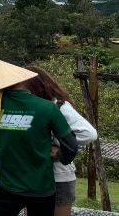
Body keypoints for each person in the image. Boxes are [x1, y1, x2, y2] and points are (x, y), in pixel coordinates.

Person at [0, 59, 79, 216]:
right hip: (42, 188)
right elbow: (72, 146)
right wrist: (59, 156)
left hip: (7, 186)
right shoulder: (48, 108)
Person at [25, 66, 97, 216]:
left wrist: (58, 146)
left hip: (58, 177)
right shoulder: (30, 107)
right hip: (34, 176)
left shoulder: (59, 106)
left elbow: (88, 133)